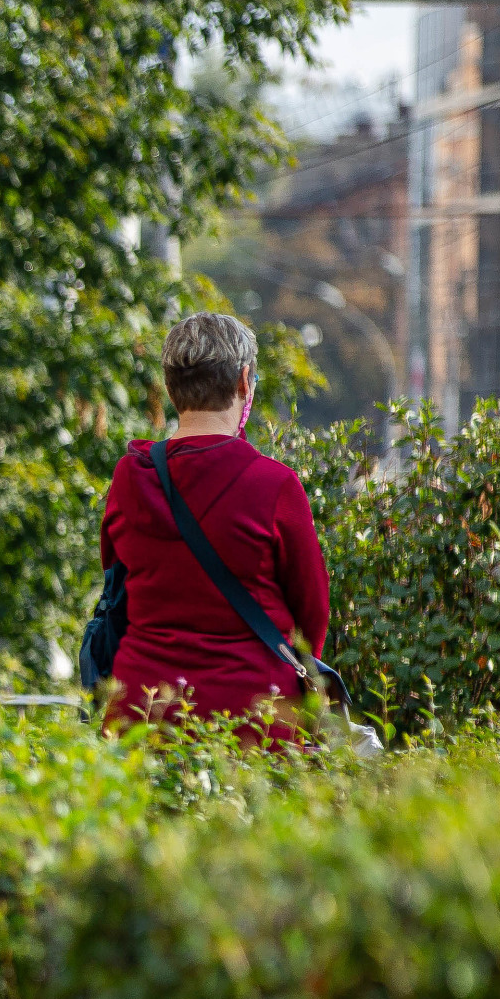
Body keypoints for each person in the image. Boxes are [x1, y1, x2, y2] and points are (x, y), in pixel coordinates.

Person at [100, 312, 332, 744]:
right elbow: (312, 615)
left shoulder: (130, 477)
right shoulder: (275, 485)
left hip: (145, 712)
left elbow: (117, 584)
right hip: (255, 718)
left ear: (171, 388)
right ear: (245, 381)